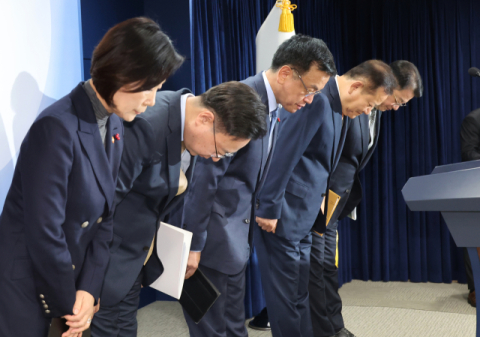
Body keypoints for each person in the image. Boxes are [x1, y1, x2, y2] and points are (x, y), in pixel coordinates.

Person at [0, 17, 183, 337]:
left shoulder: (114, 125)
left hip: (69, 284)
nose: (152, 100)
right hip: (26, 286)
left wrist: (88, 288)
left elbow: (105, 218)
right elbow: (45, 232)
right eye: (151, 88)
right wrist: (70, 303)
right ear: (125, 74)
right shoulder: (57, 127)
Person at [180, 35, 336, 337]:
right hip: (212, 242)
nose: (310, 100)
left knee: (233, 326)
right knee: (214, 329)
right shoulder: (240, 102)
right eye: (309, 90)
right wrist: (194, 245)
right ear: (286, 73)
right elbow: (202, 182)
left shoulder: (274, 107)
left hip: (235, 240)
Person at [90, 81, 267, 337]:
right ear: (205, 118)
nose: (216, 159)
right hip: (105, 260)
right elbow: (99, 207)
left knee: (124, 329)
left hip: (131, 260)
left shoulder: (188, 129)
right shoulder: (146, 124)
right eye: (221, 150)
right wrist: (88, 282)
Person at [254, 60, 397, 337]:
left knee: (300, 297)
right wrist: (269, 207)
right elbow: (283, 152)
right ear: (356, 86)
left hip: (308, 216)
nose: (368, 112)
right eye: (370, 104)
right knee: (286, 303)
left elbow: (321, 163)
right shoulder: (319, 100)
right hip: (284, 215)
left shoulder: (338, 107)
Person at [308, 60, 423, 337]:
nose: (395, 107)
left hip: (337, 201)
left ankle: (335, 326)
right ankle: (327, 330)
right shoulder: (351, 101)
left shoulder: (377, 110)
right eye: (396, 100)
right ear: (387, 85)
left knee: (327, 268)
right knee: (317, 268)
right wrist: (320, 195)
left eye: (402, 105)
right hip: (320, 199)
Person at [460, 107, 480, 307]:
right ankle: (476, 288)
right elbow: (469, 154)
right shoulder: (473, 119)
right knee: (476, 238)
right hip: (477, 188)